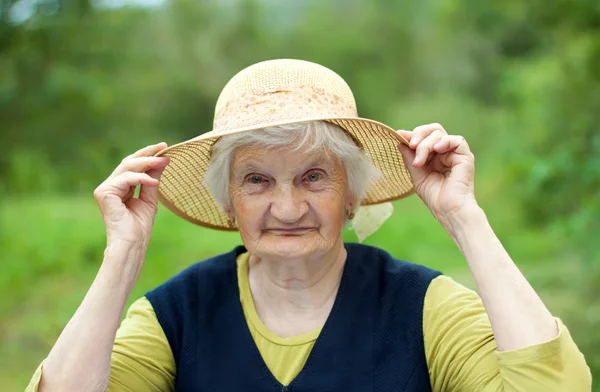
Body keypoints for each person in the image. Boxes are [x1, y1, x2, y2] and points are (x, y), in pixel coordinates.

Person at [27, 59, 590, 392]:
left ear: (352, 196)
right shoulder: (176, 316)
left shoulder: (423, 307)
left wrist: (464, 218)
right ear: (227, 202)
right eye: (257, 181)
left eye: (314, 176)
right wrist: (122, 257)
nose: (289, 207)